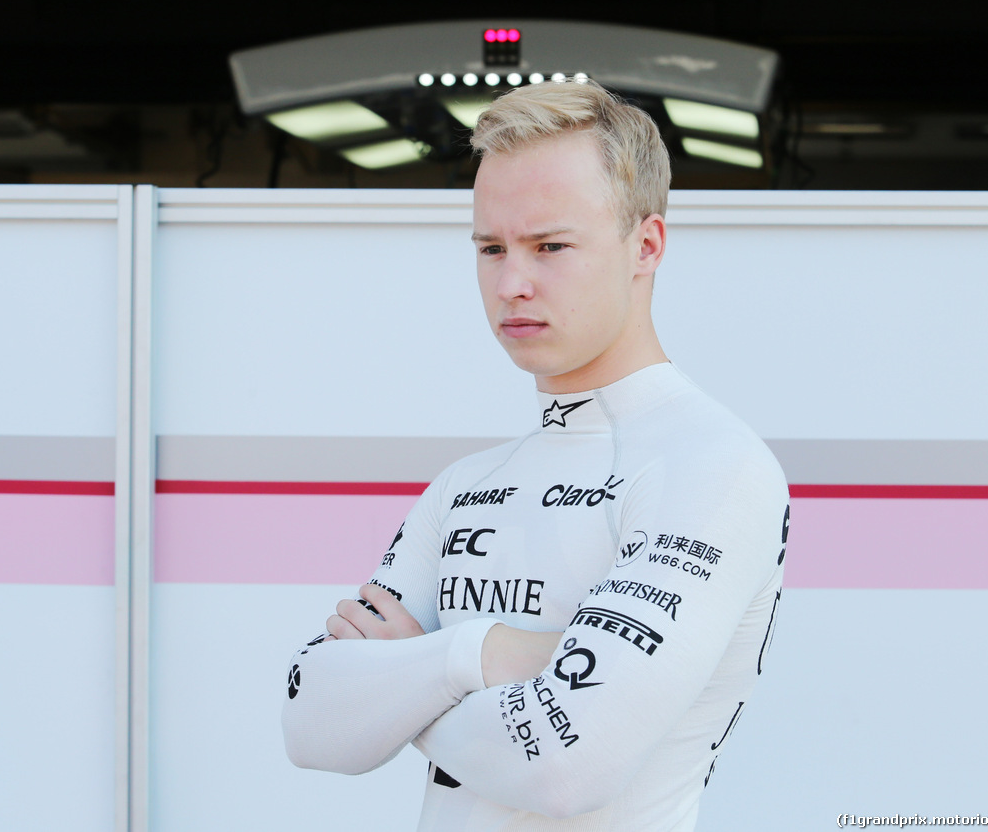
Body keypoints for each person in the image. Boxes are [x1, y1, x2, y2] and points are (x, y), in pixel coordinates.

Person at [282, 80, 789, 831]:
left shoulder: (714, 466)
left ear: (646, 245)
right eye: (492, 248)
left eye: (550, 245)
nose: (512, 284)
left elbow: (562, 763)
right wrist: (491, 656)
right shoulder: (464, 485)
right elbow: (312, 722)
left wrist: (417, 677)